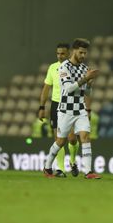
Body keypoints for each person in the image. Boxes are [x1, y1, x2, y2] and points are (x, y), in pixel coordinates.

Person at [42, 38, 101, 179]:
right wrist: (85, 79)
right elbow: (68, 88)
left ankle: (88, 171)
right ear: (74, 51)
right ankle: (47, 167)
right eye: (81, 52)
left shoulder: (84, 68)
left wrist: (90, 84)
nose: (83, 56)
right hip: (65, 110)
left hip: (80, 109)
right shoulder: (63, 67)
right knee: (61, 141)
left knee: (85, 137)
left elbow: (86, 93)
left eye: (85, 53)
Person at [39, 43, 80, 177]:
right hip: (56, 104)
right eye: (58, 53)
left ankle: (73, 162)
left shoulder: (74, 68)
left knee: (72, 138)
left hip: (70, 104)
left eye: (62, 53)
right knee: (58, 138)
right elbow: (46, 88)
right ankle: (60, 169)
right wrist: (42, 107)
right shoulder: (53, 68)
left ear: (69, 53)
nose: (59, 56)